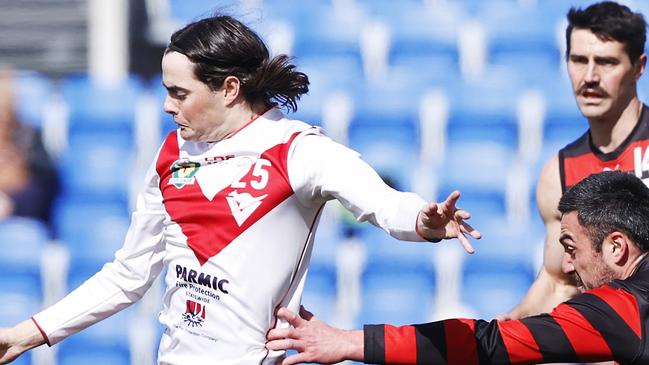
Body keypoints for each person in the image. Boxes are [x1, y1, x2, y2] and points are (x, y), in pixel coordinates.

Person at [0, 15, 481, 364]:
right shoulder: (172, 155)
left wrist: (424, 221)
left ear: (229, 88)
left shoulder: (298, 150)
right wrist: (28, 333)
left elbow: (383, 204)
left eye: (179, 93)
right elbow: (128, 275)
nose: (166, 106)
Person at [266, 170, 649, 364]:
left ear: (616, 247)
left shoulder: (620, 310)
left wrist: (348, 342)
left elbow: (487, 345)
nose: (567, 264)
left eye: (571, 247)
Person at [504, 0, 649, 320]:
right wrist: (504, 330)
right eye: (579, 60)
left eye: (607, 62)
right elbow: (559, 283)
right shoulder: (559, 173)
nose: (590, 76)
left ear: (639, 67)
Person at [0, 68, 58, 223]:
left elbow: (46, 188)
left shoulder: (28, 136)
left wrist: (12, 202)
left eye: (5, 102)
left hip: (18, 224)